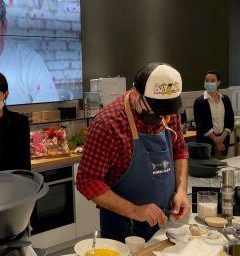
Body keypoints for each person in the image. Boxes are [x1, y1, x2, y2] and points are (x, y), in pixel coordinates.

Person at [76, 63, 190, 242]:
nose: (163, 119)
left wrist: (181, 190)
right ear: (136, 95)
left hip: (166, 220)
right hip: (124, 226)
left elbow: (179, 150)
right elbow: (87, 181)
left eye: (166, 114)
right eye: (155, 113)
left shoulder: (167, 112)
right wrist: (135, 210)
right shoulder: (108, 125)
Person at [194, 70, 234, 157]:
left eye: (212, 81)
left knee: (223, 167)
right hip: (206, 144)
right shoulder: (199, 101)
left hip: (223, 142)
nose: (209, 83)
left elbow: (230, 120)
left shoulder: (225, 99)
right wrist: (216, 140)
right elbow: (201, 125)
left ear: (218, 82)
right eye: (207, 80)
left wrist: (222, 138)